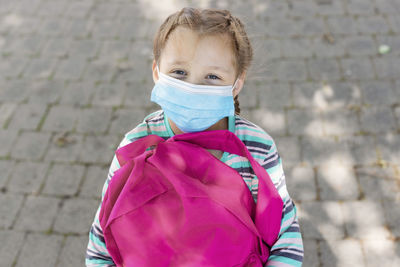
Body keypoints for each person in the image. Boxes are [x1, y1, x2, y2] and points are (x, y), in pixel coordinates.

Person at [86, 7, 303, 267]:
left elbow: (284, 233)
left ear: (236, 83)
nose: (193, 87)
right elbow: (102, 243)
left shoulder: (257, 148)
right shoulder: (135, 147)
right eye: (179, 72)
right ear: (157, 72)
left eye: (212, 76)